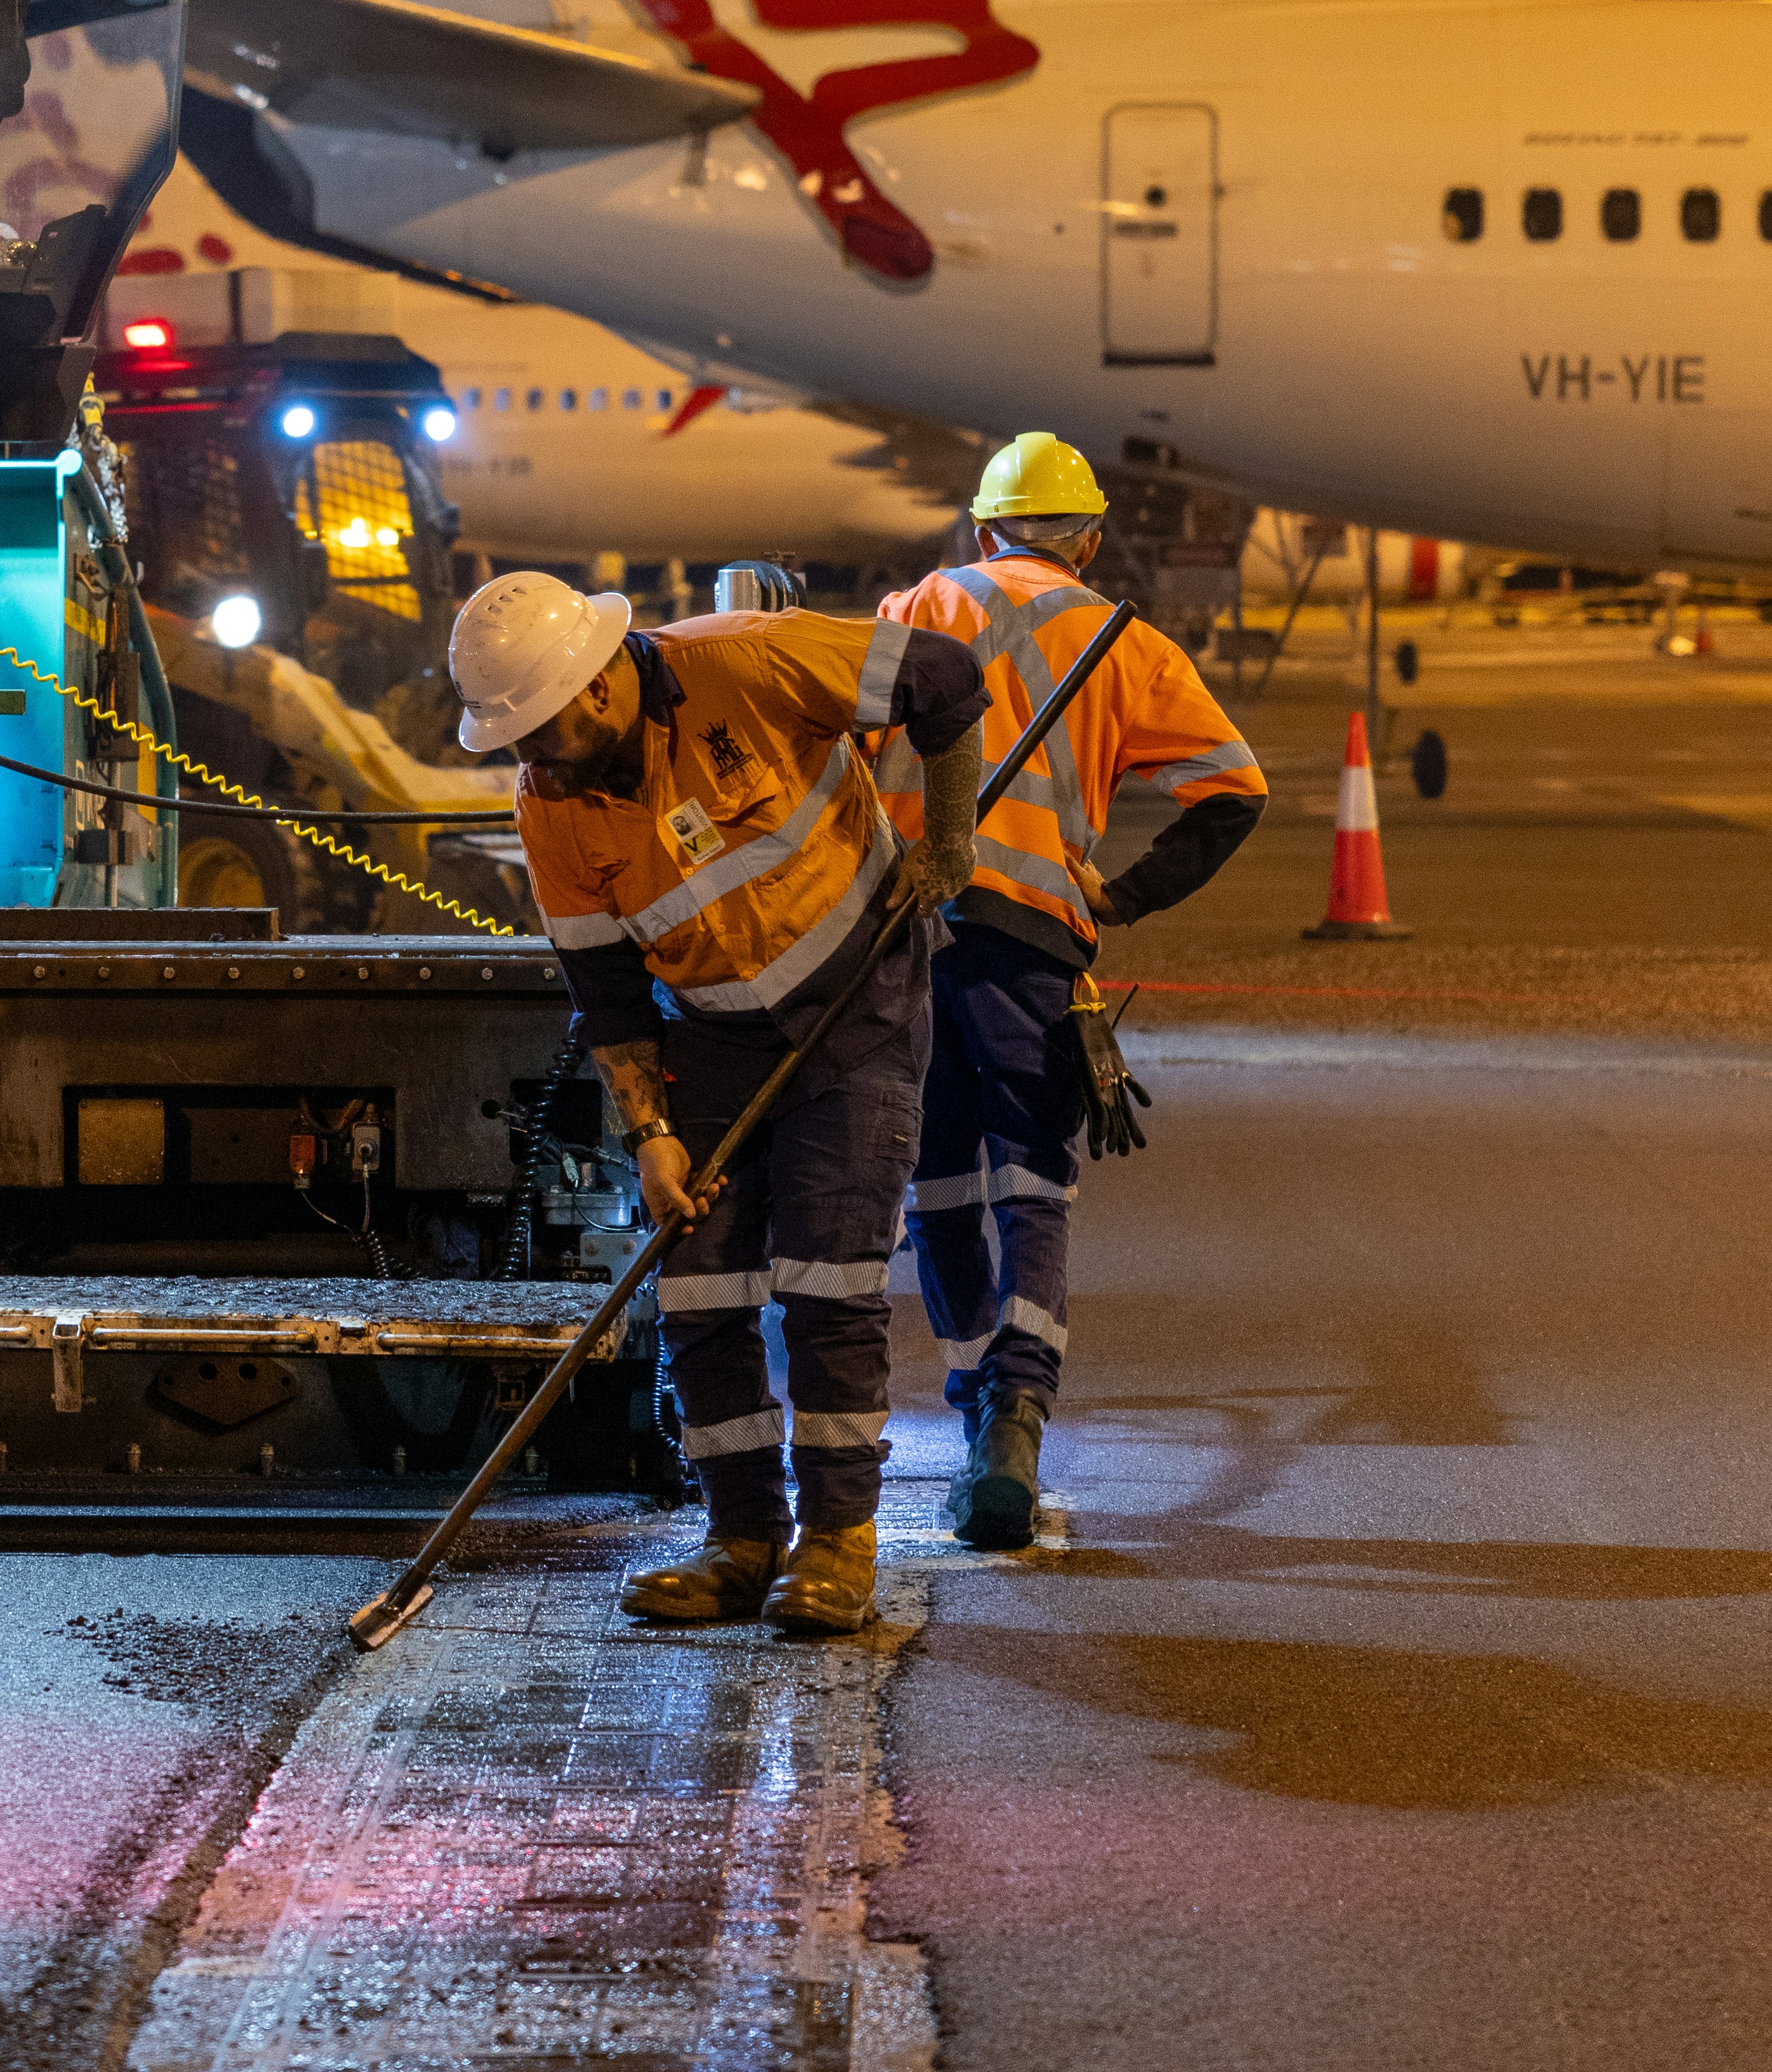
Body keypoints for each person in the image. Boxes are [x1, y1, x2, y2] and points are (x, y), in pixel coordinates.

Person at [454, 565, 985, 1635]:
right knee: (698, 1290)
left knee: (830, 1282)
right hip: (713, 1042)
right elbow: (605, 993)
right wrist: (649, 1133)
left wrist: (950, 840)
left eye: (537, 732)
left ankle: (838, 1543)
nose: (527, 762)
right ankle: (742, 1538)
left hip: (860, 1014)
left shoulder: (745, 660)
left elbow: (946, 676)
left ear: (599, 690)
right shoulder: (550, 811)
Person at [873, 434, 1268, 1547]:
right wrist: (1124, 897)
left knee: (937, 1191)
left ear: (984, 531)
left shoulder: (918, 607)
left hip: (908, 942)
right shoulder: (1123, 642)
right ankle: (1018, 1420)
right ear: (1088, 540)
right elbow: (1235, 791)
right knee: (1032, 1191)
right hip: (1038, 946)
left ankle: (969, 1418)